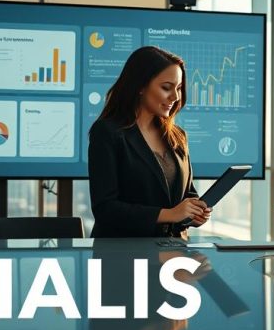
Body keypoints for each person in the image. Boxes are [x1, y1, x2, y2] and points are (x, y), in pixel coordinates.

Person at [88, 46, 211, 238]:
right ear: (140, 86)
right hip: (122, 255)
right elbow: (105, 208)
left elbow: (186, 194)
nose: (176, 97)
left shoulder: (177, 136)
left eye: (178, 88)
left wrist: (194, 212)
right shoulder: (107, 132)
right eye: (166, 88)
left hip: (173, 252)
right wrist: (169, 214)